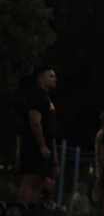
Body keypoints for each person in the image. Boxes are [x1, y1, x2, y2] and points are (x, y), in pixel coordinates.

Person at [16, 65, 59, 205]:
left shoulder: (46, 98)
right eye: (51, 76)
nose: (55, 79)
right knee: (31, 179)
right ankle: (22, 211)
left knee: (40, 180)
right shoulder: (36, 96)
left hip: (45, 142)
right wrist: (42, 146)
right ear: (41, 79)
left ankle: (32, 214)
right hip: (34, 143)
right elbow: (35, 123)